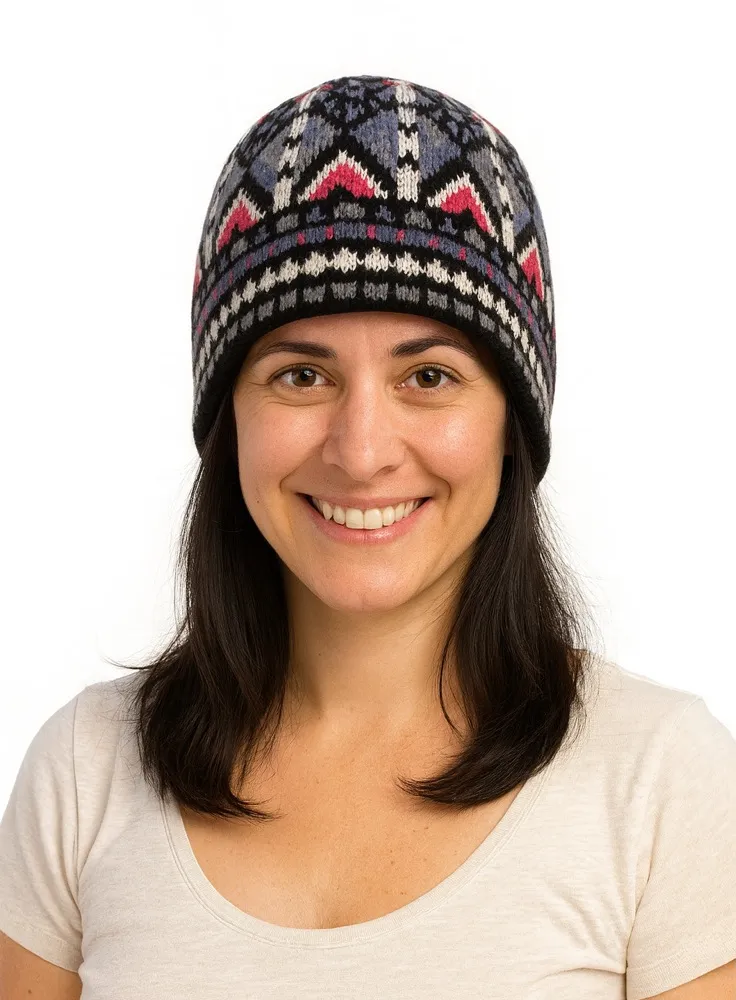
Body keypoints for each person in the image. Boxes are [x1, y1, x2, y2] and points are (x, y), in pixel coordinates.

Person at [1, 73, 734, 1000]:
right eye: (301, 375)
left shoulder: (661, 781)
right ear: (231, 417)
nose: (361, 451)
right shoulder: (86, 771)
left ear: (511, 422)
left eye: (428, 376)